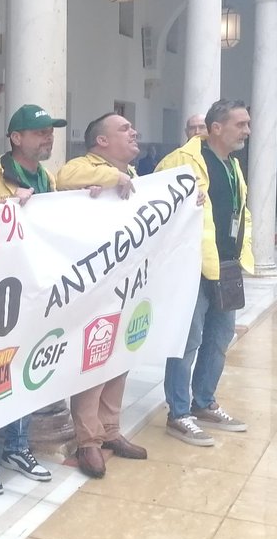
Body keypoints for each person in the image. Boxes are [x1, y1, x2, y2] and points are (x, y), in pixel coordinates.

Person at [0, 104, 59, 493]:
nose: (48, 138)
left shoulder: (49, 180)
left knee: (24, 369)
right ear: (16, 138)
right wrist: (4, 207)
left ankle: (17, 446)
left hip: (33, 292)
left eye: (50, 132)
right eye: (40, 132)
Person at [55, 114, 150, 477]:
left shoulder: (137, 176)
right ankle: (88, 441)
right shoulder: (85, 167)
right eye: (125, 129)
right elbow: (65, 179)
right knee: (94, 358)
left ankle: (111, 430)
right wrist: (113, 178)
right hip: (95, 285)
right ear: (102, 141)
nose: (134, 132)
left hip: (130, 282)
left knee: (121, 355)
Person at [157, 98, 254, 446]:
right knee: (188, 341)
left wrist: (244, 253)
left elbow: (241, 211)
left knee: (219, 338)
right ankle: (178, 413)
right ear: (216, 128)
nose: (246, 130)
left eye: (246, 123)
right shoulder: (182, 161)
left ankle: (203, 402)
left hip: (225, 264)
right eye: (240, 124)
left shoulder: (232, 164)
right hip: (192, 267)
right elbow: (155, 205)